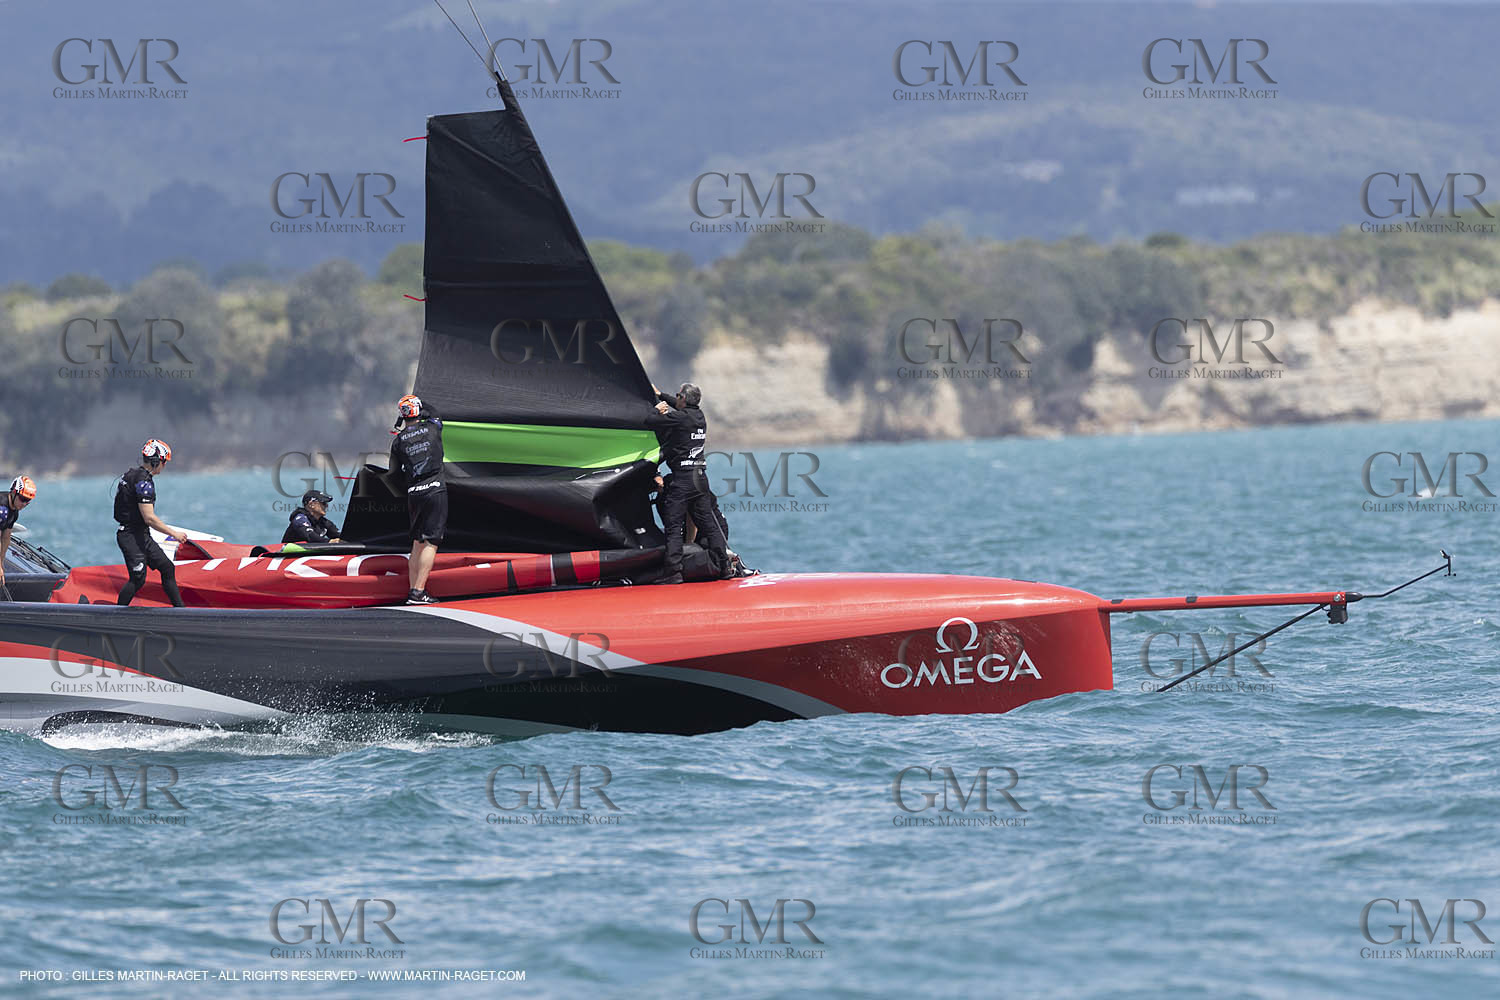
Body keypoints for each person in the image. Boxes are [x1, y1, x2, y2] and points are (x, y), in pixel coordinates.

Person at [644, 382, 729, 584]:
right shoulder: (698, 416)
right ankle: (725, 567)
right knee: (709, 525)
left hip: (682, 480)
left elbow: (650, 421)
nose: (676, 399)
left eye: (678, 396)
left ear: (683, 398)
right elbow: (680, 406)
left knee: (673, 526)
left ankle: (673, 572)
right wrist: (661, 394)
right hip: (700, 479)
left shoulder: (680, 418)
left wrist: (657, 409)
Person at [113, 439, 190, 607]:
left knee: (167, 567)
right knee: (138, 578)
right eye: (164, 462)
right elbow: (149, 518)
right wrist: (174, 534)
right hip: (130, 536)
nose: (164, 466)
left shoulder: (131, 474)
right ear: (156, 462)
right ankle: (116, 613)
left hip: (140, 534)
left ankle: (180, 611)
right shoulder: (144, 483)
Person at [389, 394, 445, 605]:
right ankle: (419, 592)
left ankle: (413, 592)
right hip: (434, 489)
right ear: (419, 410)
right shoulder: (432, 428)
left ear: (403, 415)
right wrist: (419, 402)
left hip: (414, 493)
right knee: (431, 541)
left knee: (417, 543)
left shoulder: (398, 441)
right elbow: (435, 413)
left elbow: (393, 473)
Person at [0, 475, 37, 601]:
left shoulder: (14, 512)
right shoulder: (2, 508)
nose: (24, 504)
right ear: (14, 492)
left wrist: (1, 563)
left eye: (28, 501)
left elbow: (6, 538)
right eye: (23, 499)